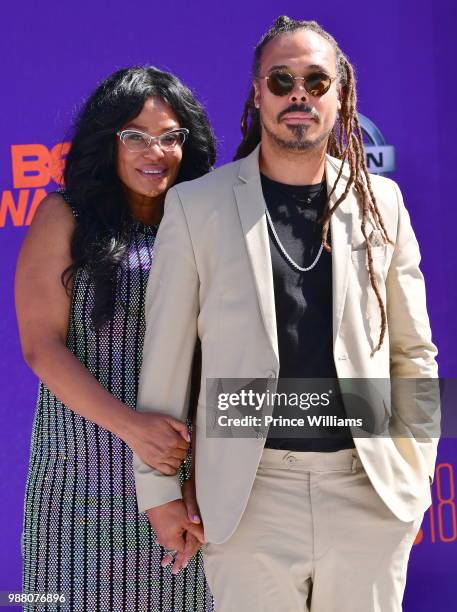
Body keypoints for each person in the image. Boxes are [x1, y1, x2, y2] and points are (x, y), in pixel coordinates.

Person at [134, 16, 440, 612]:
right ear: (257, 94)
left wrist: (415, 475)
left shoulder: (382, 203)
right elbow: (166, 364)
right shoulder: (197, 207)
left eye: (317, 80)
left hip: (368, 491)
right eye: (281, 80)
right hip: (250, 496)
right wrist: (159, 490)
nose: (299, 93)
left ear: (340, 96)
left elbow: (413, 353)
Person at [15, 66, 215, 612]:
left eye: (171, 136)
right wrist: (132, 428)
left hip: (179, 480)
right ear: (109, 142)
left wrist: (195, 479)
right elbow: (40, 345)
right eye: (136, 136)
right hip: (77, 483)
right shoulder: (65, 216)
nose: (156, 151)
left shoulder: (203, 222)